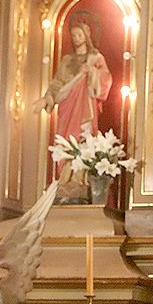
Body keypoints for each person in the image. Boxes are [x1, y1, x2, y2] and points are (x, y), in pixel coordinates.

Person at [34, 19, 113, 190]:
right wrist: (46, 99)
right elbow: (57, 84)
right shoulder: (67, 60)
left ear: (86, 36)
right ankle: (65, 179)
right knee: (65, 142)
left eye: (79, 35)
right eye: (74, 35)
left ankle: (79, 179)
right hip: (67, 107)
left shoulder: (95, 58)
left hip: (84, 105)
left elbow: (106, 78)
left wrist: (91, 72)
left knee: (83, 139)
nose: (76, 38)